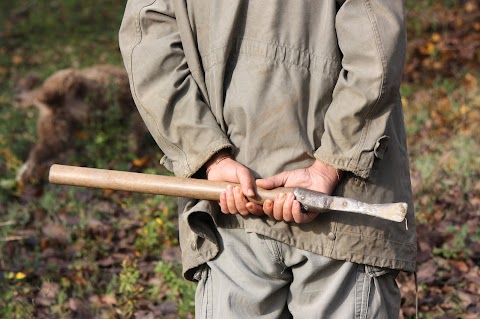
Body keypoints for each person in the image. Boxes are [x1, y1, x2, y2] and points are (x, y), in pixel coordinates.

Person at [119, 0, 416, 318]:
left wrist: (211, 157)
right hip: (335, 207)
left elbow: (147, 42)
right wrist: (328, 165)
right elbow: (376, 46)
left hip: (253, 208)